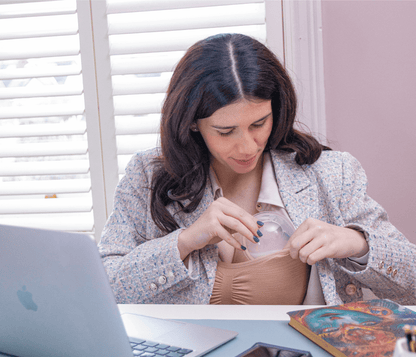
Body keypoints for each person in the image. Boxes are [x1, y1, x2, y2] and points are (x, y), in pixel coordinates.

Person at [98, 33, 416, 306]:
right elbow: (103, 288)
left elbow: (412, 281)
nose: (248, 146)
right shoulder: (148, 176)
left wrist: (357, 244)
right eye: (225, 131)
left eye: (258, 124)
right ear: (192, 123)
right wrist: (185, 241)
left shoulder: (330, 174)